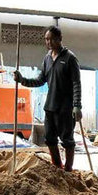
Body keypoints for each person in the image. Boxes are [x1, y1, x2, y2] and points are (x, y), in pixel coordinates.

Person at [14, 26, 82, 171]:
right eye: (46, 39)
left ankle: (68, 169)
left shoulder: (70, 58)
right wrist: (22, 80)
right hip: (50, 106)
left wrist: (77, 106)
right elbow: (40, 80)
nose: (49, 42)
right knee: (50, 139)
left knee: (67, 140)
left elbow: (76, 83)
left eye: (51, 39)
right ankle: (57, 165)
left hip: (66, 108)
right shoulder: (47, 59)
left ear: (60, 39)